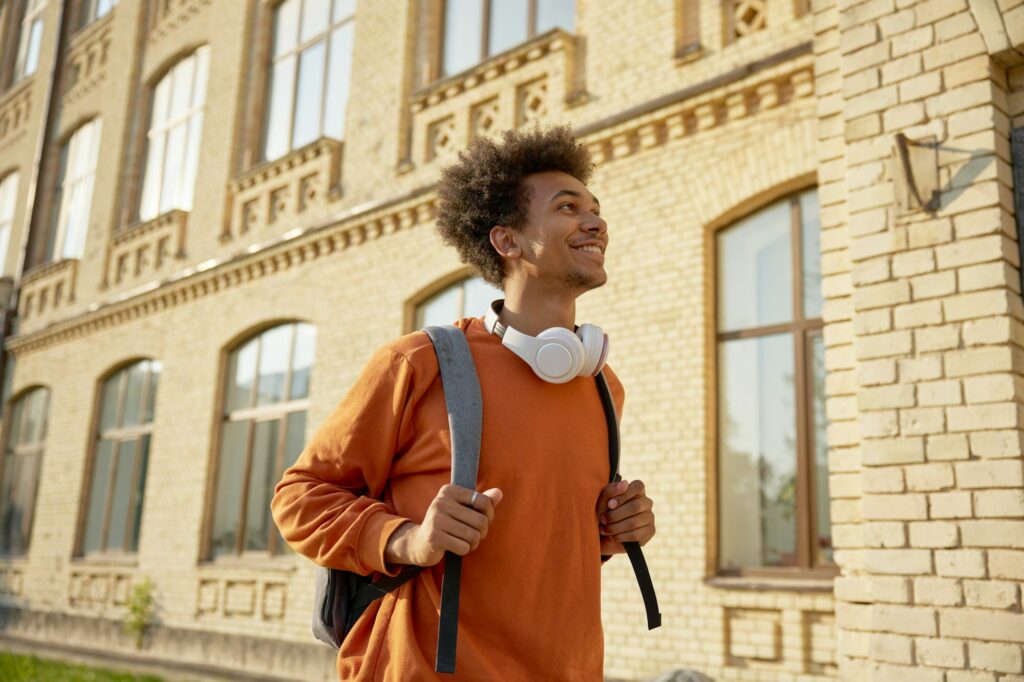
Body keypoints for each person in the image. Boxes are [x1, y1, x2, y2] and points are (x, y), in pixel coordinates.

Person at [272, 125, 657, 681]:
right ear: (508, 242)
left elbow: (544, 533)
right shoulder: (419, 364)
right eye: (568, 207)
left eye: (595, 209)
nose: (596, 222)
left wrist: (614, 529)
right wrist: (408, 539)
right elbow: (300, 498)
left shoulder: (600, 383)